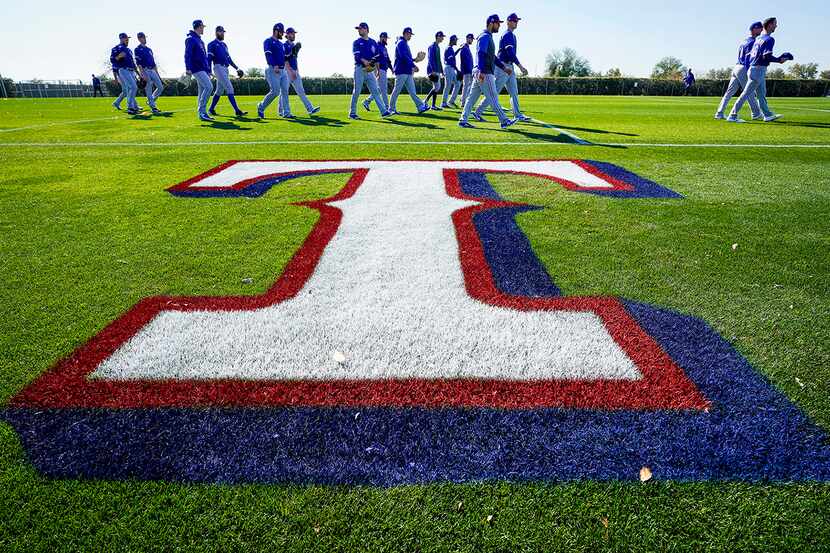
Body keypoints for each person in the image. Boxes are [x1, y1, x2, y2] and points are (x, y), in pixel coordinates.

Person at [728, 17, 793, 123]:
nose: (776, 26)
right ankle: (732, 115)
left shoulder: (759, 38)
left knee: (761, 93)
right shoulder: (769, 39)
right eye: (775, 24)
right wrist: (779, 60)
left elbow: (753, 56)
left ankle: (767, 115)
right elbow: (766, 56)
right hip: (758, 69)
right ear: (770, 25)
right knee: (746, 93)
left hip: (755, 69)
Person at [459, 14, 517, 129]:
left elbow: (492, 57)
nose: (499, 26)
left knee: (471, 98)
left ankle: (463, 120)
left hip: (480, 71)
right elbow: (481, 53)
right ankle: (504, 120)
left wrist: (503, 68)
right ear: (491, 23)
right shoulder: (485, 36)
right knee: (493, 97)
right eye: (497, 23)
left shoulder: (487, 36)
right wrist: (481, 70)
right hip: (484, 71)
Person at [474, 13, 530, 122]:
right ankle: (478, 112)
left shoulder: (512, 35)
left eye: (517, 21)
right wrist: (521, 66)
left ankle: (517, 114)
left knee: (514, 92)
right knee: (494, 93)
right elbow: (510, 53)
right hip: (503, 66)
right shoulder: (507, 35)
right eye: (514, 20)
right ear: (508, 22)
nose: (516, 22)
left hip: (509, 66)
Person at [715, 22, 764, 120]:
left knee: (729, 93)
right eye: (760, 28)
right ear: (754, 29)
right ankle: (756, 113)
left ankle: (719, 113)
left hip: (736, 67)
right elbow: (748, 58)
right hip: (743, 68)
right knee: (749, 91)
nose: (761, 30)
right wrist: (748, 71)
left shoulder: (744, 41)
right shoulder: (753, 42)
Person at [349, 22, 391, 119]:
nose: (359, 30)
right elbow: (357, 56)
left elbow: (377, 56)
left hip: (370, 71)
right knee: (357, 91)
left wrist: (378, 71)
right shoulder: (356, 42)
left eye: (360, 28)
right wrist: (366, 62)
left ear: (366, 30)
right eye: (358, 29)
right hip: (360, 68)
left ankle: (384, 111)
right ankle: (352, 113)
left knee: (375, 91)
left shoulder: (373, 42)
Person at [207, 25, 248, 117]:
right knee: (230, 88)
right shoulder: (212, 44)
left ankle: (211, 109)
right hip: (218, 67)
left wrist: (237, 68)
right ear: (217, 32)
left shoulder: (224, 45)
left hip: (225, 68)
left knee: (219, 91)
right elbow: (209, 58)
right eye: (221, 32)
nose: (223, 34)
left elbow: (229, 58)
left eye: (223, 32)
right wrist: (208, 70)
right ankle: (237, 111)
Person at [389, 27, 429, 115]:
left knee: (412, 91)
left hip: (407, 70)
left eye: (411, 34)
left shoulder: (404, 43)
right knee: (397, 90)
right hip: (401, 70)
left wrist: (415, 59)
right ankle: (391, 108)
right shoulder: (401, 43)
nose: (410, 36)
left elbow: (408, 58)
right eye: (409, 34)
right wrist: (414, 65)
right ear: (405, 34)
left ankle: (420, 107)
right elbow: (404, 57)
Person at [283, 27, 321, 116]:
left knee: (301, 91)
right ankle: (282, 112)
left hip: (295, 71)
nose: (294, 35)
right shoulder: (285, 45)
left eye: (294, 34)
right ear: (287, 35)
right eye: (292, 33)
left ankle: (310, 109)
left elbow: (294, 60)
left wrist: (296, 71)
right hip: (287, 71)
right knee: (284, 93)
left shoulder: (293, 46)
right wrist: (290, 71)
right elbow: (285, 60)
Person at [257, 23, 292, 119]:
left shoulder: (281, 44)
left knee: (285, 91)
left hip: (283, 70)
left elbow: (284, 57)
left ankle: (287, 113)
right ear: (276, 31)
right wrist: (274, 65)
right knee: (275, 92)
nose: (282, 34)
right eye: (281, 32)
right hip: (273, 69)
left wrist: (292, 53)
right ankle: (261, 107)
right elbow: (268, 54)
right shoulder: (268, 41)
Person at [185, 20, 213, 122]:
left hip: (203, 69)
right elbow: (187, 54)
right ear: (198, 27)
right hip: (196, 69)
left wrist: (208, 70)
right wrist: (188, 68)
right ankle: (202, 112)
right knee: (209, 87)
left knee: (202, 92)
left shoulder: (200, 41)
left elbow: (204, 57)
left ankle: (202, 113)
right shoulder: (191, 39)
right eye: (202, 27)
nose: (203, 28)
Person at [110, 32, 141, 115]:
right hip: (123, 70)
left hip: (131, 71)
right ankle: (131, 107)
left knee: (131, 88)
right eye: (126, 38)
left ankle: (132, 107)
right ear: (121, 39)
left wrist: (138, 73)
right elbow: (113, 60)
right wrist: (119, 56)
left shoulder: (129, 50)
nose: (127, 40)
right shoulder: (116, 48)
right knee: (133, 87)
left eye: (128, 38)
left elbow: (133, 63)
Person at [134, 32, 164, 114]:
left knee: (160, 87)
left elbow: (154, 63)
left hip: (152, 70)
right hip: (145, 70)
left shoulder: (149, 49)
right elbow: (138, 63)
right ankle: (153, 107)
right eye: (143, 38)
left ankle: (150, 101)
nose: (144, 39)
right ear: (139, 39)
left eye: (144, 37)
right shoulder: (137, 49)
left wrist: (158, 74)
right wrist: (142, 74)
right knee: (148, 89)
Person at [362, 31, 391, 112]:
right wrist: (377, 70)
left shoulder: (384, 48)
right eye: (385, 38)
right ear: (381, 37)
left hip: (384, 69)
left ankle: (366, 101)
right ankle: (387, 107)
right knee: (383, 89)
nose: (386, 39)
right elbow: (375, 59)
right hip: (379, 68)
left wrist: (392, 68)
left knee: (378, 90)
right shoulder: (377, 46)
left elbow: (388, 59)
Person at [424, 31, 445, 110]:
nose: (443, 38)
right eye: (442, 37)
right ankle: (427, 102)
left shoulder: (437, 47)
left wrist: (442, 71)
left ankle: (432, 104)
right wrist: (432, 70)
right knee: (437, 87)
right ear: (438, 37)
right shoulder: (432, 46)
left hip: (437, 70)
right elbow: (430, 59)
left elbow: (439, 60)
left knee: (436, 87)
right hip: (433, 70)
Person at [441, 35, 461, 108]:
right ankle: (443, 103)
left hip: (451, 68)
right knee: (448, 86)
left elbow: (452, 56)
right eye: (456, 40)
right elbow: (450, 61)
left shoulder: (450, 48)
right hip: (449, 68)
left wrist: (459, 49)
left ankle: (451, 101)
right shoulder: (449, 48)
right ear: (453, 40)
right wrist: (457, 70)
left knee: (458, 83)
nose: (456, 41)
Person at [458, 33, 475, 110]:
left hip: (469, 70)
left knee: (468, 86)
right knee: (466, 87)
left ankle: (463, 100)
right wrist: (469, 70)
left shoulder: (466, 47)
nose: (472, 40)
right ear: (467, 38)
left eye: (472, 39)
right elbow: (465, 61)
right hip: (467, 71)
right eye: (471, 39)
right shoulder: (464, 47)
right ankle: (463, 102)